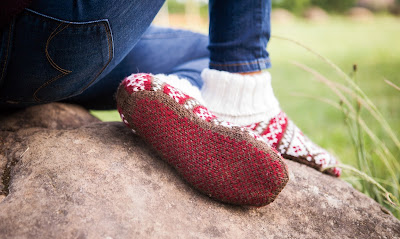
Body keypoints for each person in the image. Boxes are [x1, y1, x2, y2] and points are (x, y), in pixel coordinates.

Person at [0, 0, 340, 206]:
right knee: (226, 59)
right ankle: (247, 102)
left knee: (203, 51)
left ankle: (178, 95)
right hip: (47, 35)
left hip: (42, 47)